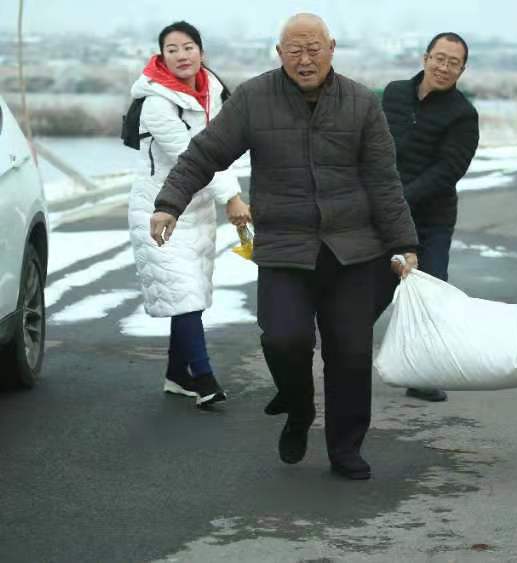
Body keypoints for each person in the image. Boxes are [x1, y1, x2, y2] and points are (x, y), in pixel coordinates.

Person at [149, 13, 418, 480]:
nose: (305, 59)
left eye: (314, 49)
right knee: (283, 339)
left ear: (331, 49)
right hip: (284, 247)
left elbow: (383, 180)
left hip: (353, 249)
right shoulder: (255, 98)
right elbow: (204, 153)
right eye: (294, 50)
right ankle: (298, 405)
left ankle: (346, 448)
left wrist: (403, 244)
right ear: (280, 54)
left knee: (351, 352)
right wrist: (169, 204)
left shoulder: (360, 102)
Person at [127, 21, 250, 408]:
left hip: (198, 209)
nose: (182, 55)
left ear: (201, 51)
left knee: (189, 295)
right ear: (161, 57)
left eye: (188, 47)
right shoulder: (156, 103)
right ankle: (204, 378)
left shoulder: (212, 90)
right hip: (159, 208)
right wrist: (232, 197)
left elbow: (224, 147)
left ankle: (177, 375)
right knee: (185, 295)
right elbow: (195, 156)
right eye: (172, 49)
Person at [377, 32, 479, 402]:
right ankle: (345, 360)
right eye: (439, 58)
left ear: (462, 70)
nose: (444, 67)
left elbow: (448, 171)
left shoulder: (463, 115)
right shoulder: (393, 94)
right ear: (425, 58)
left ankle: (422, 375)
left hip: (431, 218)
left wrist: (399, 199)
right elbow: (373, 143)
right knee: (370, 288)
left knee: (429, 294)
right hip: (384, 212)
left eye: (453, 63)